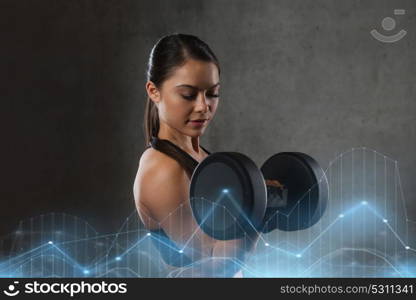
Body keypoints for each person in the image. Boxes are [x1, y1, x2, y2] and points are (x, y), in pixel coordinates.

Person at [133, 33, 258, 277]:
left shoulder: (201, 158)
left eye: (212, 93)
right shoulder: (163, 168)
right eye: (188, 94)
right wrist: (259, 208)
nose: (203, 106)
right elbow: (214, 266)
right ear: (154, 91)